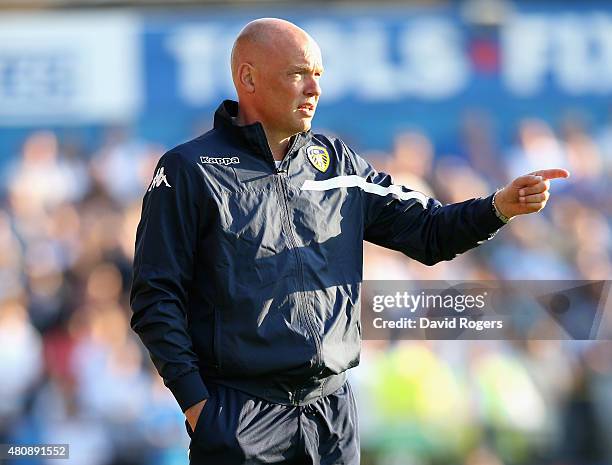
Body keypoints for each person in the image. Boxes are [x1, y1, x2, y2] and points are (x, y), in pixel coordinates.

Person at [130, 18, 569, 465]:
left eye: (318, 75)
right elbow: (155, 297)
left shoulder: (337, 163)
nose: (313, 88)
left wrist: (498, 206)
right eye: (297, 73)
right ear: (248, 78)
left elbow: (429, 232)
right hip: (240, 414)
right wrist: (199, 409)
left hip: (332, 415)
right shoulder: (190, 169)